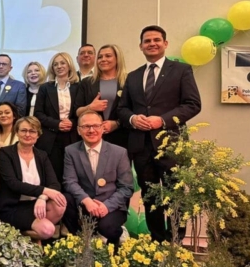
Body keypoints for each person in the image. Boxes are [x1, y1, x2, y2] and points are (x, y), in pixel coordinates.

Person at [118, 25, 201, 242]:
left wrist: (162, 120)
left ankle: (175, 242)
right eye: (147, 41)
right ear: (141, 46)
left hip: (170, 145)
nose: (152, 44)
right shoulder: (133, 76)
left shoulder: (181, 70)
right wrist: (133, 119)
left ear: (165, 43)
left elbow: (192, 104)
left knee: (175, 195)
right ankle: (157, 242)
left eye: (156, 40)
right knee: (150, 196)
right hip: (141, 147)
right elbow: (122, 109)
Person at [62, 111, 133, 244]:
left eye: (95, 126)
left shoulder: (119, 152)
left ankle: (118, 235)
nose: (91, 130)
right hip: (85, 204)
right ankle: (83, 239)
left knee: (107, 228)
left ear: (102, 128)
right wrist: (86, 200)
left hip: (111, 205)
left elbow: (126, 188)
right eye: (86, 126)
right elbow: (69, 182)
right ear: (78, 130)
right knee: (64, 199)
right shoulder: (70, 151)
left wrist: (107, 206)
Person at [0, 116, 67, 240]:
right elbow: (13, 184)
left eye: (32, 131)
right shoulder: (6, 153)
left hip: (36, 204)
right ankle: (23, 235)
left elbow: (54, 184)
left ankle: (35, 231)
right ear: (16, 132)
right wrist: (44, 190)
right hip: (13, 207)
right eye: (23, 130)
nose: (27, 134)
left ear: (38, 135)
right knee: (48, 230)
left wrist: (42, 197)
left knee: (60, 203)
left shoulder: (42, 155)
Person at [34, 52, 80, 182]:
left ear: (69, 65)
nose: (59, 66)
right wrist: (57, 124)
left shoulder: (78, 87)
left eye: (62, 63)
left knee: (73, 174)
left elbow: (82, 111)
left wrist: (72, 122)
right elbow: (38, 113)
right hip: (51, 137)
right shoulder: (45, 88)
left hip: (72, 136)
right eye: (55, 64)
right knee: (54, 175)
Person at [75, 44, 128, 149]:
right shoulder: (87, 83)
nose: (103, 59)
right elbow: (77, 112)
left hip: (121, 137)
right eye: (100, 57)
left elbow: (134, 110)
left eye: (108, 56)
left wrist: (117, 124)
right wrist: (90, 107)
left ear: (117, 59)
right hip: (91, 137)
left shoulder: (128, 81)